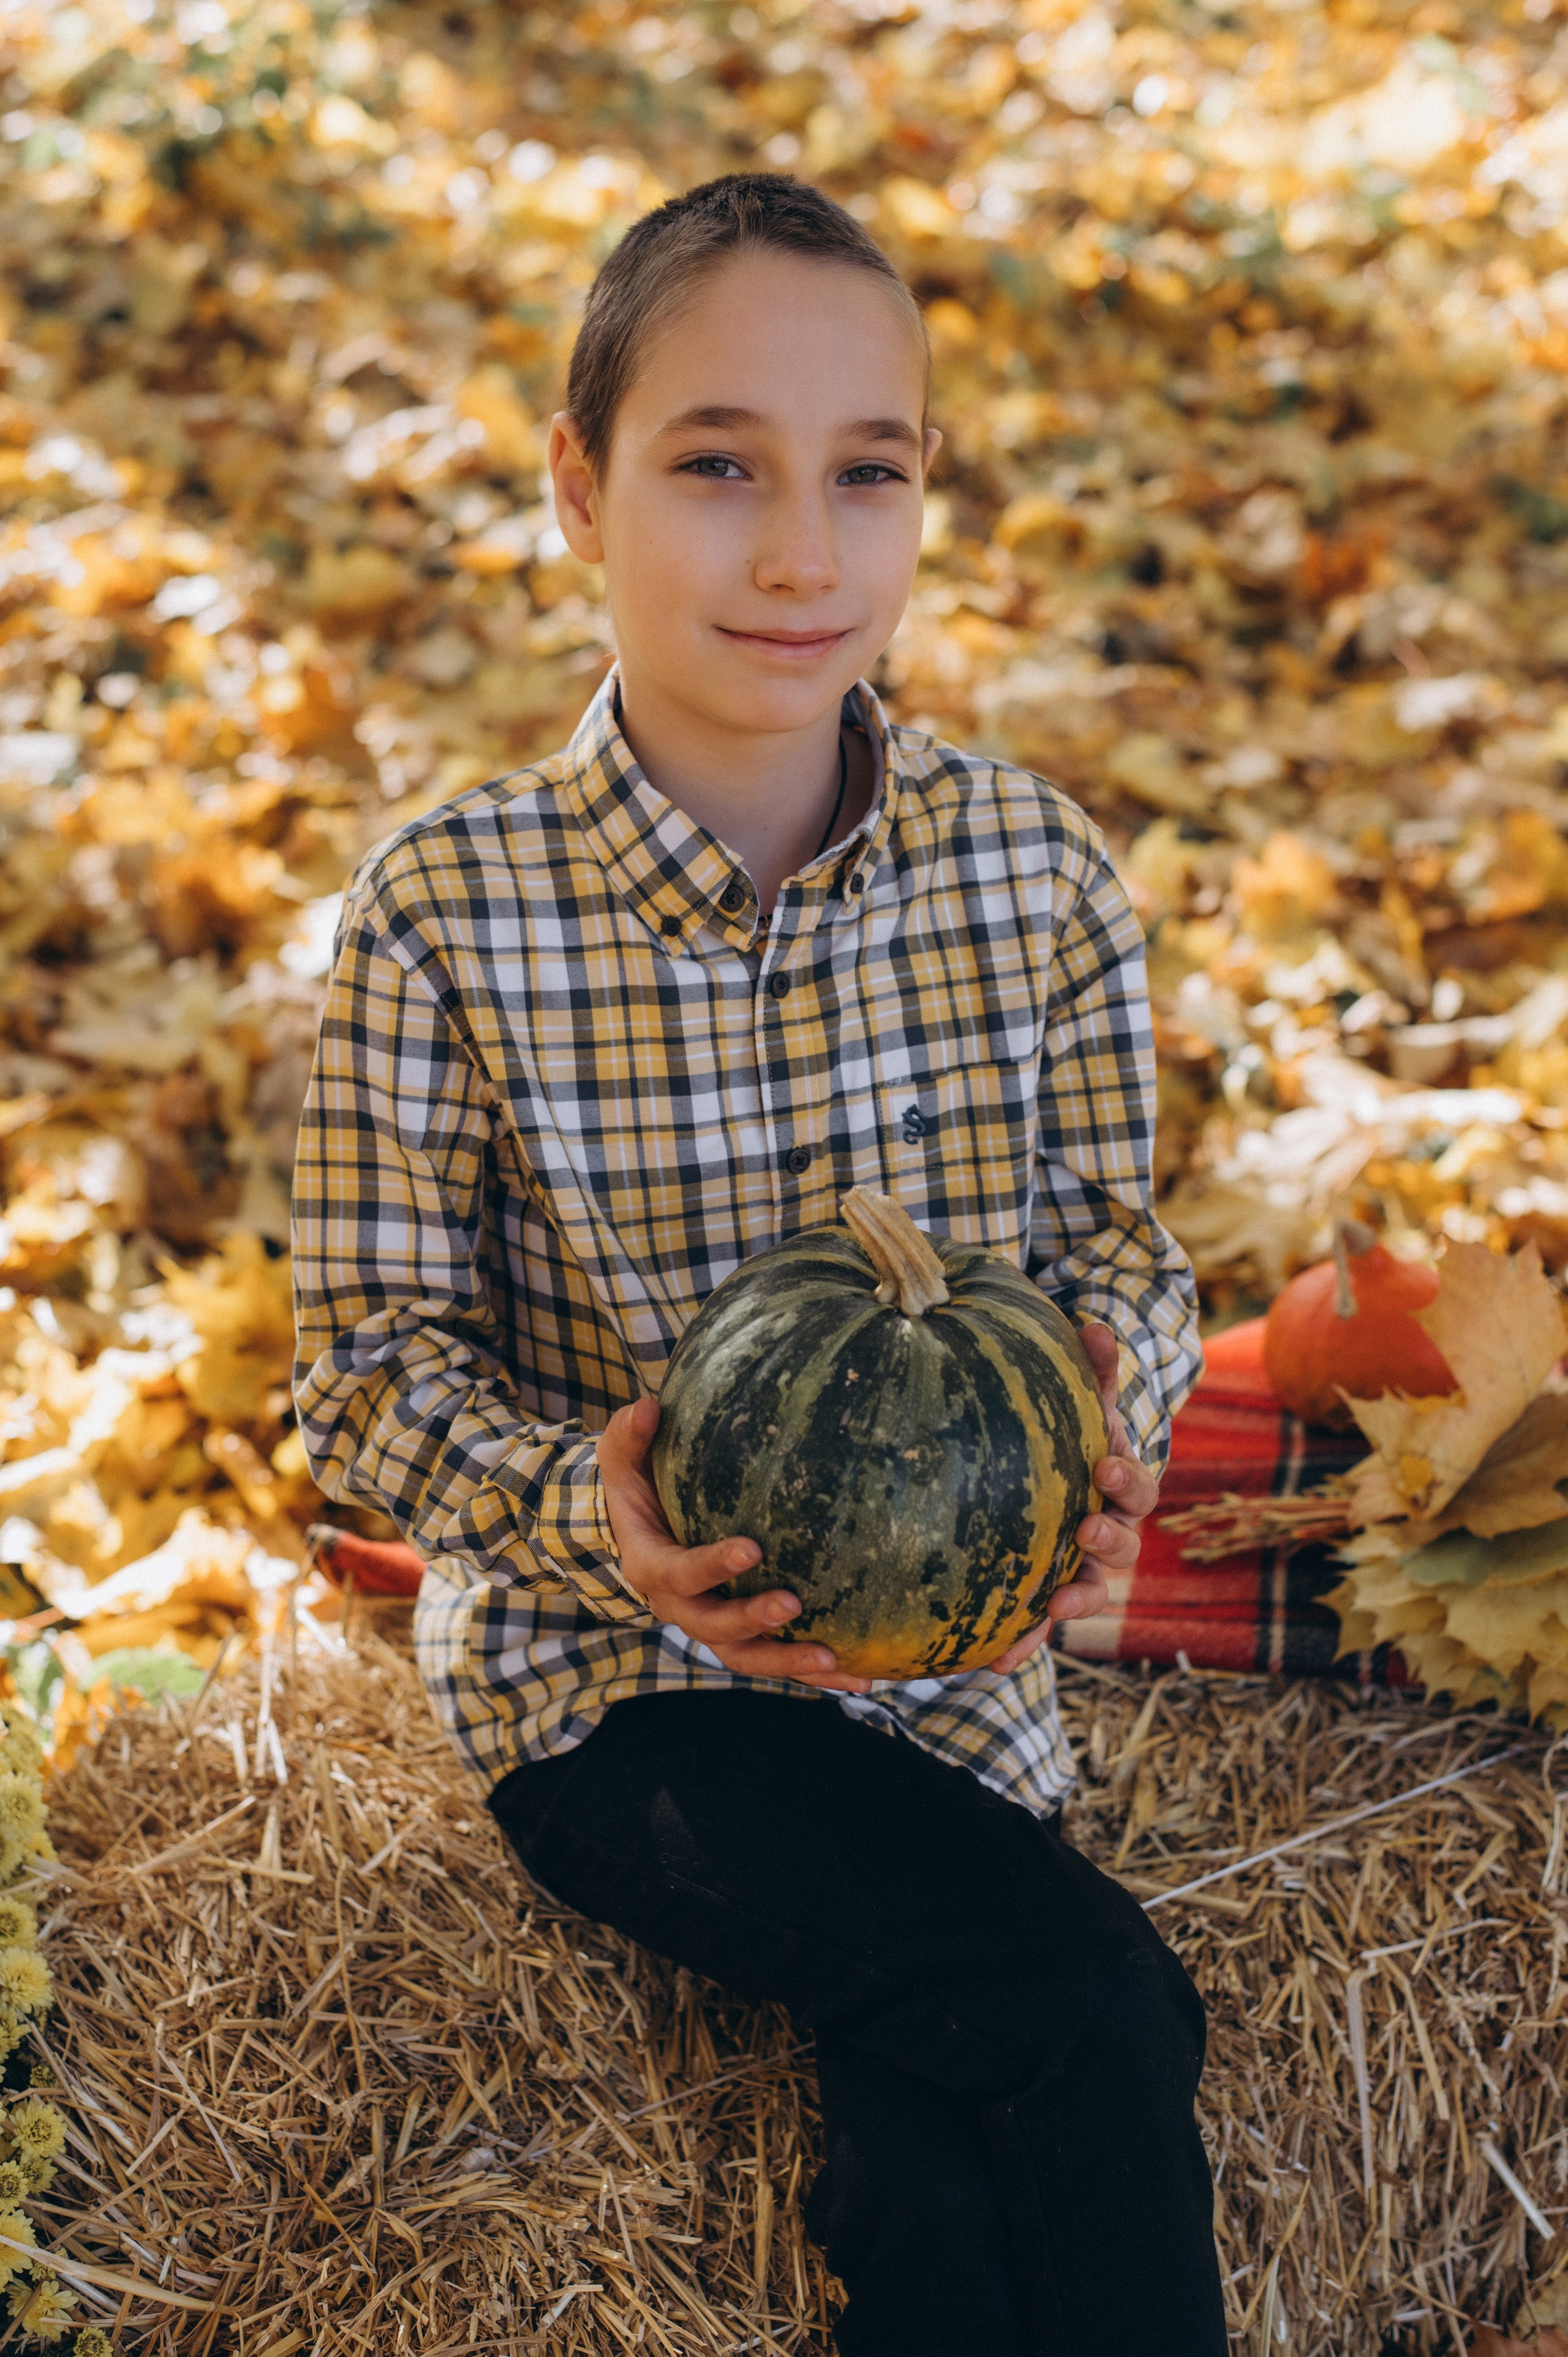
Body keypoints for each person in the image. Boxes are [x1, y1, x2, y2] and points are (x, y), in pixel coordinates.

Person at [292, 173, 1221, 2355]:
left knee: (935, 2173)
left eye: (865, 474)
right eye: (719, 466)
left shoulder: (1037, 876)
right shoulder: (449, 913)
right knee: (1092, 2013)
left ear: (921, 502)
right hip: (625, 1706)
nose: (803, 551)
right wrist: (584, 1509)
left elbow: (1120, 1244)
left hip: (960, 1695)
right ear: (577, 487)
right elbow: (357, 1364)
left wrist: (1099, 1412)